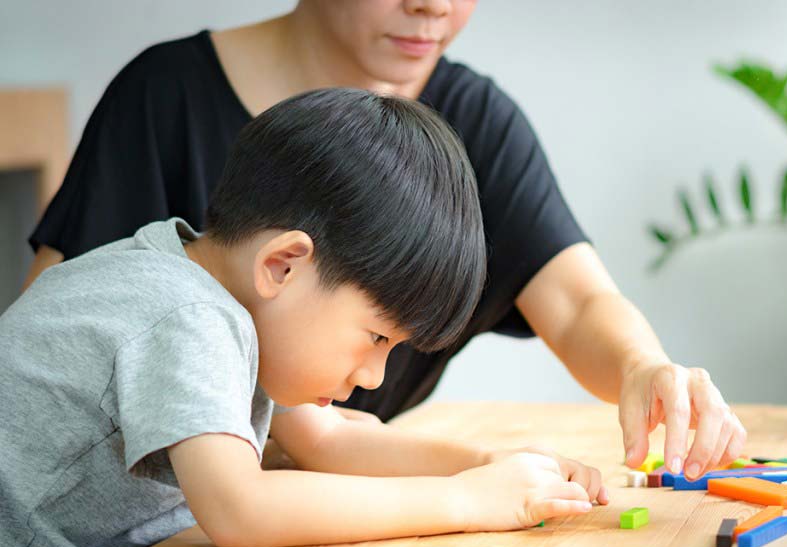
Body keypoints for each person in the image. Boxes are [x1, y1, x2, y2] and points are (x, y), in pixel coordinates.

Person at [24, 0, 745, 479]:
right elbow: (49, 358)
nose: (433, 5)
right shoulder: (161, 101)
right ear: (282, 259)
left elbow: (580, 301)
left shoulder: (474, 123)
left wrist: (644, 368)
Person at [0, 88, 607, 547]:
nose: (372, 376)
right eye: (376, 338)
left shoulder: (219, 294)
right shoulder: (186, 315)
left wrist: (491, 464)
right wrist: (469, 501)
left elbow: (330, 441)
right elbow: (241, 510)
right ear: (283, 265)